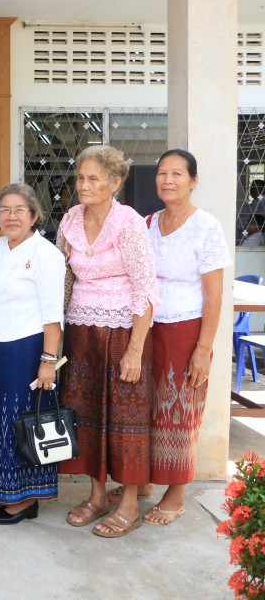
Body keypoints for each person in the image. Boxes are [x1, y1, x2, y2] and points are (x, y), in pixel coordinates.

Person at [106, 150, 228, 526]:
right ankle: (142, 483)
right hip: (146, 329)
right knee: (143, 408)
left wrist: (203, 348)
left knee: (180, 410)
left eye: (177, 174)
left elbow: (214, 294)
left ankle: (175, 495)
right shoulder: (147, 223)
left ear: (193, 181)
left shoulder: (206, 227)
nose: (168, 180)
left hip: (185, 329)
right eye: (162, 173)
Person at [57, 145, 159, 538]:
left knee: (126, 417)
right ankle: (97, 495)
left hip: (122, 331)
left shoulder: (129, 223)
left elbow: (145, 287)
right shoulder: (70, 218)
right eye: (80, 177)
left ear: (114, 183)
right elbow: (62, 275)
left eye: (93, 179)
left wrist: (135, 349)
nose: (83, 185)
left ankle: (129, 503)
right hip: (81, 331)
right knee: (84, 414)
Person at [0, 182, 64, 524]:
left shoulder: (47, 255)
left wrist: (48, 363)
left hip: (25, 349)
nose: (11, 217)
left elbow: (53, 316)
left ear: (34, 216)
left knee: (21, 422)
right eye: (5, 210)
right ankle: (1, 490)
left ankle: (25, 499)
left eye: (19, 210)